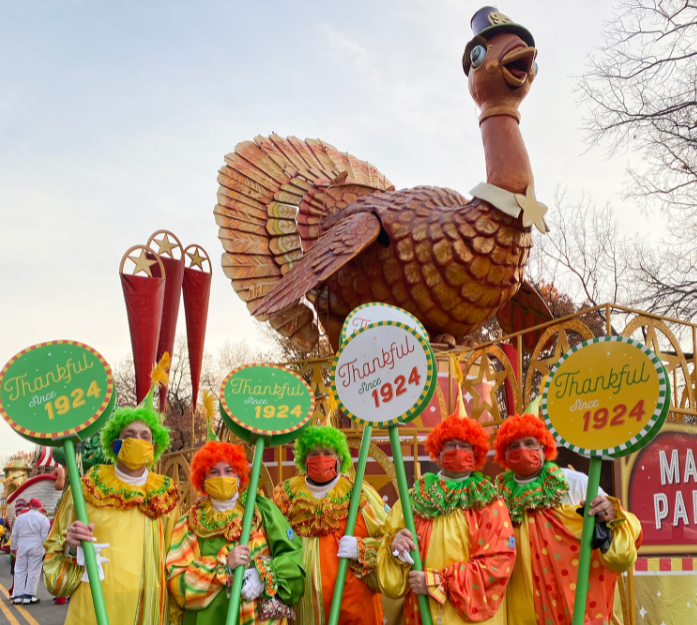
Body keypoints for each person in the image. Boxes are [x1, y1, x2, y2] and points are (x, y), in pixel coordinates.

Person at [43, 375, 181, 625]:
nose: (137, 440)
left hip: (149, 610)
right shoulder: (85, 487)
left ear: (154, 446)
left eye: (145, 436)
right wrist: (71, 546)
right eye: (129, 434)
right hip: (93, 610)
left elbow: (177, 560)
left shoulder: (166, 493)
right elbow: (54, 555)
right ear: (115, 443)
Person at [493, 413, 643, 625]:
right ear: (504, 453)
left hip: (573, 605)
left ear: (544, 449)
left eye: (529, 443)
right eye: (513, 445)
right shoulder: (496, 496)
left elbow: (614, 521)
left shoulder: (575, 483)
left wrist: (610, 513)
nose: (522, 449)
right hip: (521, 608)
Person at [378, 413, 516, 625]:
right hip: (419, 613)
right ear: (439, 451)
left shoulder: (488, 501)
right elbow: (389, 542)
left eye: (465, 445)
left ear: (475, 452)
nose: (458, 451)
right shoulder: (416, 497)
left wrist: (438, 583)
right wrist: (395, 547)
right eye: (451, 444)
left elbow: (498, 561)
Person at [166, 440, 305, 624]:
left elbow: (292, 558)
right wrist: (222, 566)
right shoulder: (190, 524)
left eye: (228, 470)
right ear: (203, 480)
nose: (222, 477)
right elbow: (178, 583)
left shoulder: (262, 510)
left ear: (239, 475)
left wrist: (265, 576)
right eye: (214, 472)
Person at [272, 425, 387, 625]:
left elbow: (391, 541)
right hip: (303, 610)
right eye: (313, 453)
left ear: (340, 458)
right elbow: (270, 541)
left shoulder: (360, 493)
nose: (320, 458)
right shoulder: (285, 495)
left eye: (327, 453)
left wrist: (362, 549)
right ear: (304, 459)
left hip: (353, 608)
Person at [11, 498, 51, 605]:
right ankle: (28, 596)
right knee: (33, 571)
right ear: (40, 508)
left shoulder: (20, 518)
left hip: (22, 546)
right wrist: (47, 551)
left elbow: (14, 535)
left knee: (19, 570)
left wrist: (13, 548)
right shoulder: (43, 519)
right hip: (37, 547)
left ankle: (18, 596)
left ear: (30, 506)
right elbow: (45, 537)